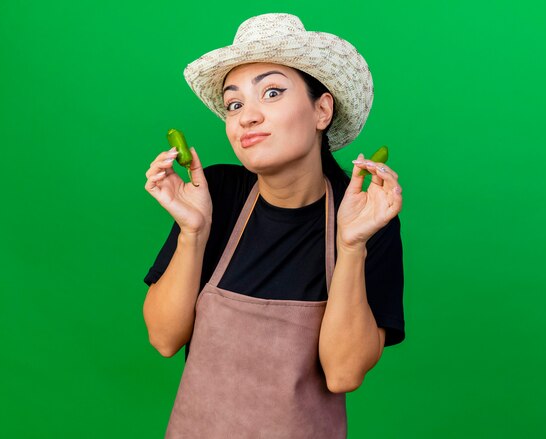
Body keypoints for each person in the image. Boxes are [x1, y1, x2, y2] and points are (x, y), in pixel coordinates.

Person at [143, 13, 405, 438]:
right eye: (234, 103)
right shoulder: (216, 194)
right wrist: (193, 233)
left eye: (272, 92)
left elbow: (342, 373)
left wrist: (352, 245)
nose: (247, 116)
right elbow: (164, 338)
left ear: (322, 110)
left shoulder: (365, 216)